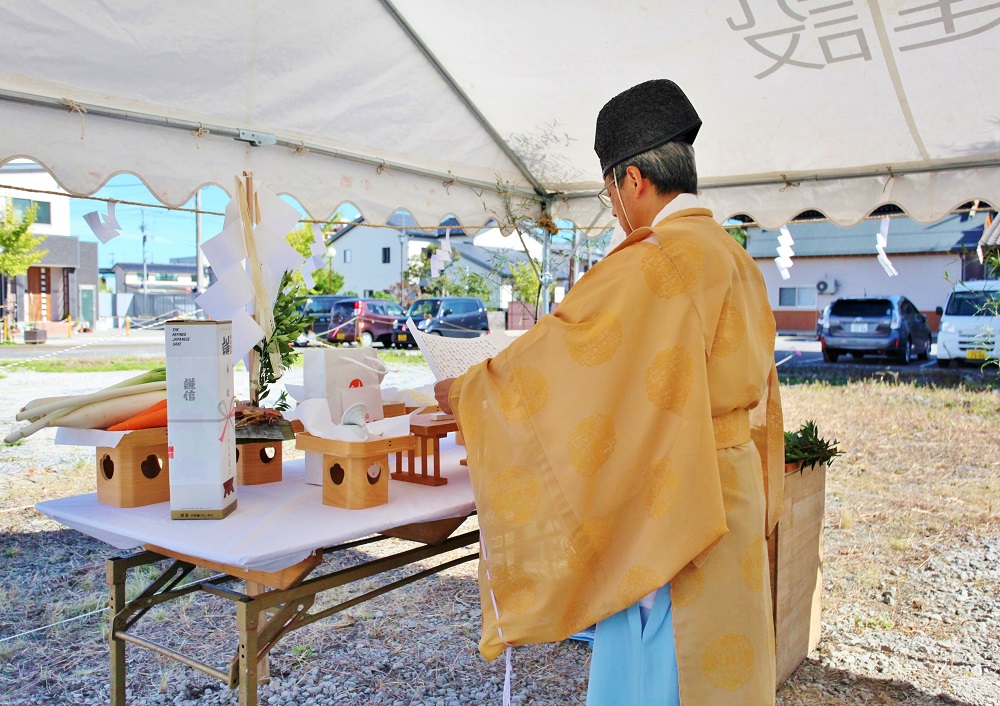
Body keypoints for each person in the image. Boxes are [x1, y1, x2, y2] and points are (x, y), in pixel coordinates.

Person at [435, 79, 784, 705]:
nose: (615, 208)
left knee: (664, 672)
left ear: (634, 181)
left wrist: (467, 394)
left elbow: (564, 362)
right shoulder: (733, 255)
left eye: (610, 191)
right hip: (732, 487)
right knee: (725, 664)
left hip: (675, 506)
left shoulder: (657, 261)